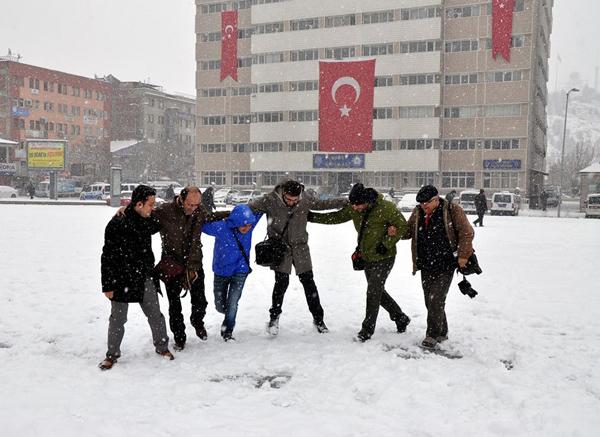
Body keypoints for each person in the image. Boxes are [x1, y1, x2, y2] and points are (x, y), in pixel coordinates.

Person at [308, 183, 411, 342]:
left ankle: (367, 330)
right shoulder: (354, 206)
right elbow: (336, 217)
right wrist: (312, 217)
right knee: (377, 292)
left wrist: (387, 243)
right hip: (366, 257)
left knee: (373, 292)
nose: (354, 208)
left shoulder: (386, 208)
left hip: (384, 258)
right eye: (353, 205)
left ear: (367, 202)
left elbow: (402, 225)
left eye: (358, 205)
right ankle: (400, 317)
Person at [248, 179, 348, 335]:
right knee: (281, 283)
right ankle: (274, 319)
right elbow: (249, 207)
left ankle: (319, 320)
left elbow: (323, 204)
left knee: (309, 283)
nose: (292, 203)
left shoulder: (305, 199)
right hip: (280, 248)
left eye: (295, 200)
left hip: (301, 247)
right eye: (289, 199)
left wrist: (344, 201)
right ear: (283, 193)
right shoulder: (270, 199)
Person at [99, 185, 174, 370]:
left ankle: (162, 347)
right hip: (120, 279)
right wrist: (107, 286)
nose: (153, 208)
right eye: (150, 204)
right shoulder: (117, 223)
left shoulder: (146, 220)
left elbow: (157, 223)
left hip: (144, 277)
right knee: (117, 319)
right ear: (139, 204)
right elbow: (107, 256)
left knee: (155, 315)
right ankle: (112, 355)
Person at [153, 186, 228, 350]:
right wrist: (126, 209)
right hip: (172, 265)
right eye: (190, 205)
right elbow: (145, 215)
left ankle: (197, 321)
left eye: (196, 205)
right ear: (181, 198)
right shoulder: (165, 210)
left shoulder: (199, 211)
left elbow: (212, 216)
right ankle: (179, 336)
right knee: (174, 305)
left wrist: (232, 213)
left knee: (200, 300)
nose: (193, 209)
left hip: (194, 263)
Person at [400, 185, 474, 350]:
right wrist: (394, 229)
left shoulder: (452, 210)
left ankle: (432, 335)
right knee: (430, 300)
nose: (423, 206)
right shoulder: (418, 212)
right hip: (426, 263)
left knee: (436, 299)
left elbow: (466, 233)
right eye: (421, 204)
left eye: (427, 203)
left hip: (446, 263)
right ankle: (442, 331)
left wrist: (463, 255)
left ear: (436, 199)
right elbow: (407, 232)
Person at [202, 204, 262, 341]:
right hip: (221, 271)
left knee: (233, 301)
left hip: (241, 270)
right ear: (235, 223)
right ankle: (228, 311)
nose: (247, 229)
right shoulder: (221, 228)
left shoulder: (250, 226)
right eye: (243, 226)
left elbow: (263, 208)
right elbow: (201, 224)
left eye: (249, 226)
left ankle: (227, 331)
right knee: (219, 305)